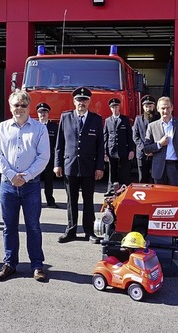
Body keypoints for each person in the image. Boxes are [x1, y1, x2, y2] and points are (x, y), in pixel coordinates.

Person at [0, 90, 50, 282]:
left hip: (30, 185)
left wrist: (26, 176)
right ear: (10, 107)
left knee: (33, 226)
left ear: (29, 107)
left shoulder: (39, 129)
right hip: (8, 185)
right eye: (16, 105)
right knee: (9, 227)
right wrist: (10, 174)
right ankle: (10, 264)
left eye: (24, 105)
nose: (20, 109)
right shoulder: (2, 128)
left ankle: (37, 265)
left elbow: (44, 157)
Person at [143, 96, 178, 252]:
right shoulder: (152, 126)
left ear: (172, 108)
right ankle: (161, 238)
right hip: (159, 170)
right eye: (162, 108)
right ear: (158, 110)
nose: (165, 111)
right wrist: (159, 144)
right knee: (160, 206)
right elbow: (146, 148)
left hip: (176, 169)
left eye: (167, 107)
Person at [54, 87, 104, 244]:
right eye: (78, 100)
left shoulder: (96, 119)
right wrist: (58, 164)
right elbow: (59, 143)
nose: (81, 103)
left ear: (89, 102)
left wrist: (100, 166)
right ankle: (71, 230)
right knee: (71, 200)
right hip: (70, 165)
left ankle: (90, 232)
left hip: (89, 166)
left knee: (88, 200)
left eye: (84, 100)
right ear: (74, 101)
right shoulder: (66, 117)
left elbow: (100, 146)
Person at [103, 98, 135, 195]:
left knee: (125, 170)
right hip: (111, 149)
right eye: (113, 107)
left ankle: (126, 189)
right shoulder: (108, 120)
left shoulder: (125, 120)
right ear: (110, 108)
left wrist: (131, 150)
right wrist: (105, 152)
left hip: (123, 149)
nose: (115, 109)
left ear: (119, 107)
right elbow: (105, 136)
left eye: (116, 107)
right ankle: (111, 189)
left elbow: (130, 136)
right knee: (112, 171)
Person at [132, 95, 160, 183]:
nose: (148, 108)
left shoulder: (158, 118)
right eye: (146, 106)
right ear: (143, 107)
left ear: (154, 106)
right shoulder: (138, 119)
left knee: (155, 177)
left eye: (150, 106)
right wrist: (144, 149)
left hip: (155, 153)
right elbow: (135, 136)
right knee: (142, 177)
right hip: (141, 153)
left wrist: (153, 150)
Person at [37, 102, 59, 208]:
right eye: (40, 112)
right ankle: (36, 201)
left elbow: (57, 144)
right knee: (35, 182)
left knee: (49, 182)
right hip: (35, 159)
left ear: (48, 113)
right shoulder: (33, 126)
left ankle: (50, 201)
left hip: (49, 159)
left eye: (45, 112)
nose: (42, 114)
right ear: (37, 114)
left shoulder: (54, 127)